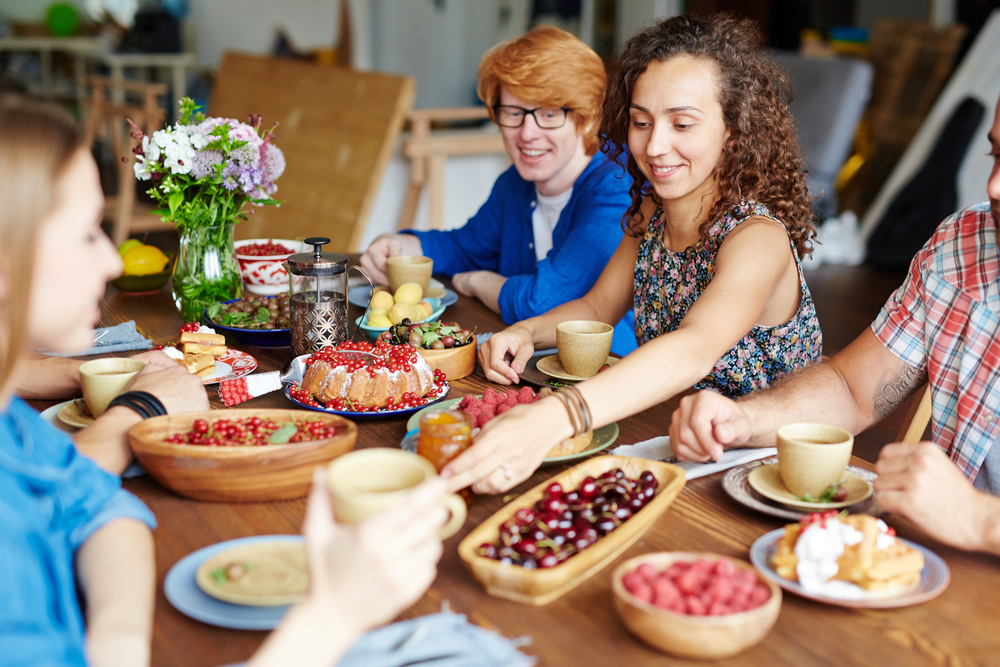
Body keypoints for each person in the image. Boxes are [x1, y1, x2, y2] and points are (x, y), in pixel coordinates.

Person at [0, 95, 447, 667]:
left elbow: (99, 508)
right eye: (87, 233)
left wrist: (118, 643)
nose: (113, 262)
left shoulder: (15, 426)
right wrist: (333, 614)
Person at [442, 14, 821, 495]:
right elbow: (598, 307)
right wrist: (524, 331)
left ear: (733, 130)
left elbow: (694, 347)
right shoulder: (650, 212)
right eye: (642, 122)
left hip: (772, 471)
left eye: (682, 124)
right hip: (681, 441)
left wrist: (559, 415)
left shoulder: (756, 238)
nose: (655, 145)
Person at [669, 92, 1000, 556]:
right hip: (943, 562)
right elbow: (853, 390)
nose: (994, 186)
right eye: (995, 155)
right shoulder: (962, 243)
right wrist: (746, 419)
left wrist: (979, 518)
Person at [360, 25, 638, 355]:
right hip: (523, 363)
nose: (527, 133)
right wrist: (402, 245)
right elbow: (464, 248)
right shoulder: (515, 184)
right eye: (514, 112)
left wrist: (478, 281)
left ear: (587, 117)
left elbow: (542, 302)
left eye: (549, 113)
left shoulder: (617, 187)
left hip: (606, 368)